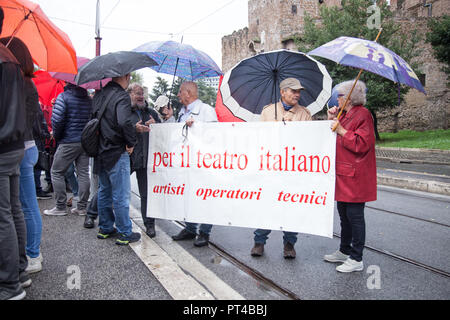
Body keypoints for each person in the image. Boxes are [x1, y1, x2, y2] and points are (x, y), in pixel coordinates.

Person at [251, 77, 312, 259]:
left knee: (291, 207)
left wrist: (292, 131)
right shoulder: (268, 112)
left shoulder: (304, 114)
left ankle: (289, 244)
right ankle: (259, 242)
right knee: (267, 207)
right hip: (271, 169)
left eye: (299, 91)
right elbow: (259, 140)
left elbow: (310, 143)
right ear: (283, 92)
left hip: (294, 170)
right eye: (293, 91)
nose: (297, 94)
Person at [0, 36, 45, 274]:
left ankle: (33, 254)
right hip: (26, 148)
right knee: (22, 207)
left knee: (25, 207)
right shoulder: (26, 82)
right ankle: (30, 252)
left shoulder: (21, 82)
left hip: (22, 148)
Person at [324, 79, 376, 273]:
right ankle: (344, 251)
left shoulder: (363, 114)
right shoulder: (345, 114)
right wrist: (332, 118)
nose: (337, 97)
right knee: (344, 215)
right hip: (344, 174)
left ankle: (356, 258)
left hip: (356, 176)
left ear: (351, 97)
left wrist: (341, 130)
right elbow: (332, 133)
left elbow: (362, 143)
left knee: (355, 217)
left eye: (341, 95)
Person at [0, 12, 29, 298]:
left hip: (3, 144)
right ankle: (19, 271)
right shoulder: (11, 59)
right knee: (13, 210)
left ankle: (9, 284)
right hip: (15, 144)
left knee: (3, 216)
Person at [93, 74, 141, 246]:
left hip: (101, 150)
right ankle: (124, 232)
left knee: (104, 191)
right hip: (116, 150)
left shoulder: (100, 94)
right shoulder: (121, 96)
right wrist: (131, 142)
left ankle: (105, 228)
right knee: (120, 194)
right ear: (126, 76)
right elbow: (123, 122)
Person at [171, 81, 218, 247]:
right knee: (188, 196)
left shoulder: (206, 111)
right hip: (186, 163)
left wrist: (196, 127)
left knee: (204, 198)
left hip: (203, 164)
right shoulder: (181, 112)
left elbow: (214, 136)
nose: (178, 95)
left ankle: (204, 232)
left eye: (180, 92)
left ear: (188, 93)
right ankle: (190, 228)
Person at [43, 82, 92, 217]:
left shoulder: (63, 97)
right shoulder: (88, 100)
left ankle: (60, 206)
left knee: (56, 172)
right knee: (83, 173)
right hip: (85, 141)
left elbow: (57, 121)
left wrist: (57, 137)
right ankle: (81, 207)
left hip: (68, 141)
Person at [127, 83, 160, 238]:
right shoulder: (125, 112)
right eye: (137, 93)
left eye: (142, 93)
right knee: (112, 188)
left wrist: (157, 126)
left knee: (146, 194)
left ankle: (150, 225)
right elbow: (119, 129)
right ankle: (92, 213)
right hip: (128, 157)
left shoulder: (151, 113)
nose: (140, 96)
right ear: (129, 95)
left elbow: (164, 133)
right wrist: (134, 129)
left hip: (146, 159)